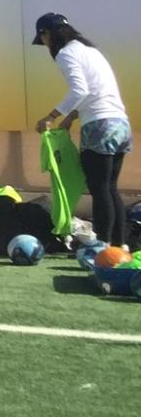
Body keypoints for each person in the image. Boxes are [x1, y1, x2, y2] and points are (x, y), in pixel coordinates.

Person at [34, 13, 131, 247]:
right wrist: (72, 117)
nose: (44, 44)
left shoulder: (66, 53)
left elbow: (80, 90)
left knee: (99, 189)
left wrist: (51, 117)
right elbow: (96, 90)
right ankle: (120, 246)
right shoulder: (90, 51)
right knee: (110, 187)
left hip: (99, 126)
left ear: (47, 34)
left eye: (42, 39)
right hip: (119, 123)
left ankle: (104, 247)